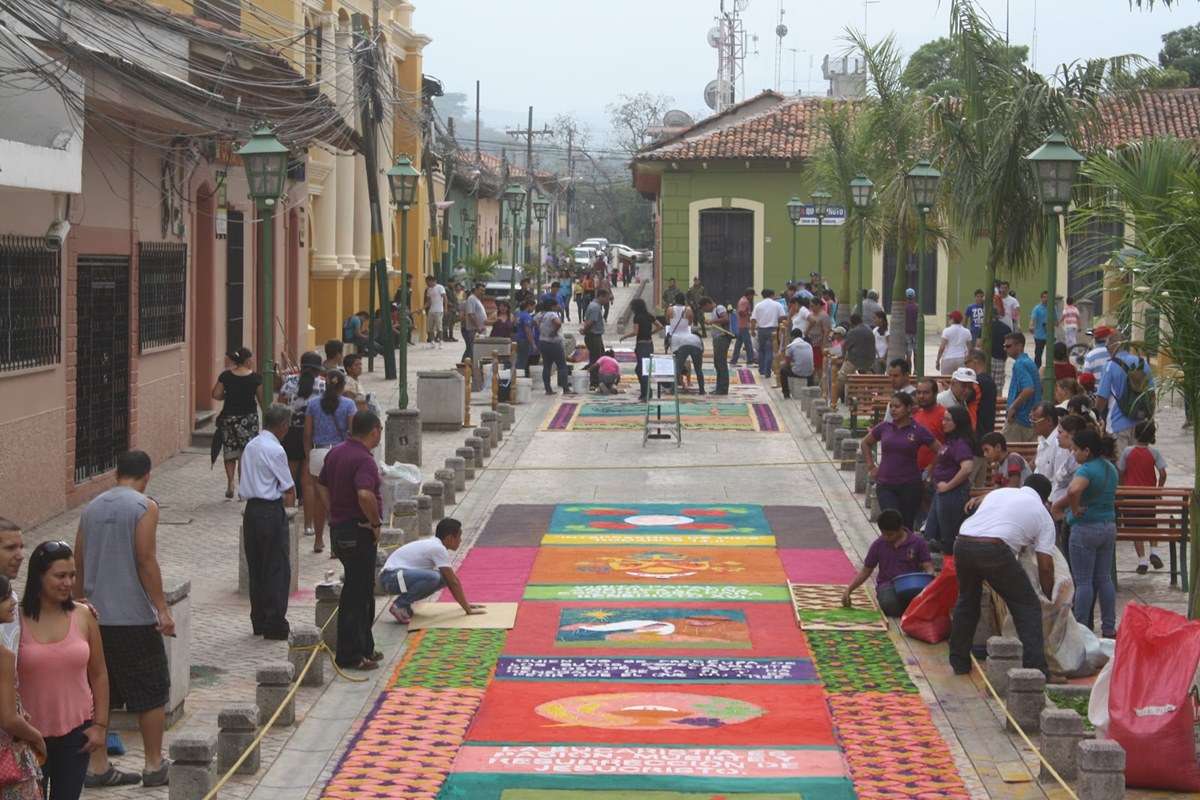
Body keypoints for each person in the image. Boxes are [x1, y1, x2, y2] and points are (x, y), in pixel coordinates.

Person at [73, 451, 175, 788]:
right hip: (133, 617)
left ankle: (98, 766)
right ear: (146, 475)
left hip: (95, 619)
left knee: (99, 692)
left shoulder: (90, 508)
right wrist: (162, 608)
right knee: (152, 690)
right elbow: (146, 558)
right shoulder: (144, 506)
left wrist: (77, 607)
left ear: (117, 473)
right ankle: (153, 763)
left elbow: (78, 560)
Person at [20, 541, 110, 798]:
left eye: (72, 575)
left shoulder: (84, 615)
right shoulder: (14, 619)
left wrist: (100, 725)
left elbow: (99, 673)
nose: (68, 583)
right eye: (60, 576)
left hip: (75, 733)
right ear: (39, 576)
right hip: (27, 736)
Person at [949, 476, 1057, 677]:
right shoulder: (1043, 514)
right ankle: (1036, 670)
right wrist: (1048, 595)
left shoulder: (1000, 492)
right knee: (1027, 606)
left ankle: (959, 662)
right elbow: (1045, 567)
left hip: (963, 542)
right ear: (1045, 499)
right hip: (994, 548)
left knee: (967, 601)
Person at [317, 411, 385, 671]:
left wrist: (333, 509)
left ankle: (365, 646)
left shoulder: (337, 452)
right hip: (358, 530)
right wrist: (376, 523)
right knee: (356, 594)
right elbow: (365, 494)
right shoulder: (364, 460)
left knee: (363, 589)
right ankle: (350, 655)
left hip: (340, 528)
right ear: (374, 431)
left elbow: (321, 484)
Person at [1052, 429, 1119, 638]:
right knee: (1104, 578)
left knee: (1083, 582)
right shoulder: (1110, 468)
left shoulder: (1086, 470)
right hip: (1108, 526)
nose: (1073, 454)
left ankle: (1080, 629)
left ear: (1087, 451)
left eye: (1076, 450)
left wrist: (1074, 508)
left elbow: (1073, 491)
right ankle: (1108, 627)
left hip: (1086, 528)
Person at [237, 407, 296, 640]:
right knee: (276, 568)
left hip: (251, 510)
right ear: (282, 425)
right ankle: (274, 623)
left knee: (257, 566)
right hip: (270, 510)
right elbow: (288, 486)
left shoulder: (251, 445)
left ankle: (259, 619)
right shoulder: (275, 450)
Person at [379, 517, 484, 624]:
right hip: (390, 578)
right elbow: (453, 582)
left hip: (396, 578)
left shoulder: (435, 545)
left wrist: (465, 604)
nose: (460, 541)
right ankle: (400, 605)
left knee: (443, 579)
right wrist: (467, 608)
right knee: (434, 577)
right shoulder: (438, 548)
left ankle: (405, 605)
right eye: (459, 537)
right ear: (449, 538)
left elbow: (451, 580)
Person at [860, 392, 940, 530]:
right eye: (891, 406)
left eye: (897, 406)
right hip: (885, 484)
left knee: (906, 525)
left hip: (910, 485)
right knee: (890, 522)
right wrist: (871, 466)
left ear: (908, 408)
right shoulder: (885, 427)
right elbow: (865, 443)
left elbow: (941, 450)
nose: (893, 410)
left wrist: (930, 469)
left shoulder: (918, 430)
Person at [0, 573, 44, 799]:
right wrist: (36, 737)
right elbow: (8, 718)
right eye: (6, 597)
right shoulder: (3, 656)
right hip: (8, 762)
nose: (13, 601)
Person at [842, 510, 933, 617]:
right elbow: (866, 571)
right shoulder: (878, 544)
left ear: (900, 529)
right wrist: (849, 589)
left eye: (890, 534)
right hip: (887, 584)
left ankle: (911, 610)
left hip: (911, 584)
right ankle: (909, 611)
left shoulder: (917, 543)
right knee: (889, 604)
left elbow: (928, 566)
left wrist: (929, 581)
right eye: (883, 534)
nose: (886, 537)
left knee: (924, 602)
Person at [304, 371, 355, 554]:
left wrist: (309, 454)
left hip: (319, 451)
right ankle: (336, 545)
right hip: (340, 454)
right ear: (342, 386)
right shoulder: (349, 404)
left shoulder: (312, 404)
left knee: (319, 499)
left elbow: (307, 433)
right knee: (339, 498)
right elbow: (352, 431)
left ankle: (318, 541)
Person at [277, 351, 325, 536]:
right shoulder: (322, 385)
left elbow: (279, 407)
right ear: (317, 369)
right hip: (312, 436)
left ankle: (286, 523)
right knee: (309, 483)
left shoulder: (288, 383)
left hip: (289, 435)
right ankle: (308, 525)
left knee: (287, 481)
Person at [925, 406, 979, 553]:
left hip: (953, 494)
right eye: (944, 418)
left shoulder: (961, 443)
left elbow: (967, 468)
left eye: (948, 420)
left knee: (949, 535)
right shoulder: (950, 441)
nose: (943, 422)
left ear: (958, 423)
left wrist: (948, 486)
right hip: (942, 492)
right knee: (933, 531)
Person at [1118, 420, 1167, 575]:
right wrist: (1159, 490)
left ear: (1135, 434)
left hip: (1131, 496)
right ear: (1152, 436)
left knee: (1135, 528)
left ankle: (1142, 561)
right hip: (1149, 496)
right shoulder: (1154, 453)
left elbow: (1120, 470)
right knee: (1151, 524)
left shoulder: (1127, 452)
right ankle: (1155, 552)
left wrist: (1122, 487)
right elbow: (1163, 473)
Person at [212, 348, 262, 500]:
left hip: (229, 418)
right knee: (245, 453)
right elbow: (261, 399)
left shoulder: (226, 376)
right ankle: (243, 488)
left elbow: (216, 394)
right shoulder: (255, 377)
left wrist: (228, 395)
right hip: (249, 420)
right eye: (251, 359)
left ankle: (230, 483)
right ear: (247, 360)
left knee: (230, 451)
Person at [1095, 332, 1154, 454]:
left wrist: (1095, 416)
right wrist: (1150, 417)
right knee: (1136, 465)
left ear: (1114, 346)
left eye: (1107, 347)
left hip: (1118, 423)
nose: (1107, 350)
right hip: (1140, 422)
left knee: (1120, 466)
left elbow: (1102, 397)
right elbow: (1151, 395)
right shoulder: (1143, 364)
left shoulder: (1110, 365)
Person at [620, 298, 664, 401]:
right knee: (643, 369)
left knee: (642, 369)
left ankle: (646, 393)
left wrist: (625, 336)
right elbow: (660, 326)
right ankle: (646, 391)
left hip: (641, 345)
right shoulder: (649, 315)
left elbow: (636, 332)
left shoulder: (637, 317)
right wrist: (651, 333)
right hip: (649, 344)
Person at [1004, 331, 1041, 443]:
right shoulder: (1029, 362)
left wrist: (1013, 407)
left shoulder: (1019, 364)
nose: (1005, 349)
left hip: (1019, 419)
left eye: (1008, 346)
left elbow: (1028, 389)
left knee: (1009, 454)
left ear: (1019, 346)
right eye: (1004, 346)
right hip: (1029, 418)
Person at [537, 298, 572, 396]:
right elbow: (558, 323)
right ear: (552, 306)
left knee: (547, 366)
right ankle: (565, 388)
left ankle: (548, 389)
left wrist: (542, 331)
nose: (558, 307)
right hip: (554, 343)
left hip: (543, 342)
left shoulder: (541, 315)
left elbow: (534, 323)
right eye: (557, 305)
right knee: (562, 366)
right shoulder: (552, 314)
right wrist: (553, 332)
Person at [913, 379, 947, 476]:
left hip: (937, 474)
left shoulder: (944, 415)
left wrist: (931, 468)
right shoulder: (916, 415)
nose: (921, 396)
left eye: (926, 393)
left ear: (935, 394)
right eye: (918, 393)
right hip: (915, 474)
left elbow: (947, 447)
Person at [750, 290, 784, 378]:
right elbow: (782, 317)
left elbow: (753, 319)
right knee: (770, 350)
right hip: (773, 330)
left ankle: (761, 370)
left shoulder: (758, 305)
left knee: (761, 350)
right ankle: (767, 371)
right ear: (772, 295)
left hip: (761, 330)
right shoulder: (777, 305)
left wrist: (752, 330)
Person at [704, 297, 733, 395]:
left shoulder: (719, 308)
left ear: (708, 304)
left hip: (722, 338)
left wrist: (711, 322)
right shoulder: (714, 311)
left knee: (721, 363)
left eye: (705, 308)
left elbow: (725, 319)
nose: (705, 310)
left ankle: (723, 389)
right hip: (717, 339)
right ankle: (719, 387)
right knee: (717, 363)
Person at [581, 289, 610, 388]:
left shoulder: (595, 306)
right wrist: (584, 330)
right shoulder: (595, 307)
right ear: (601, 296)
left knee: (599, 357)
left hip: (595, 335)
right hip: (593, 336)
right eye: (607, 298)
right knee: (596, 359)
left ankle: (597, 379)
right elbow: (591, 322)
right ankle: (594, 381)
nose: (608, 301)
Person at [967, 350, 998, 438]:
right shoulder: (990, 381)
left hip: (977, 429)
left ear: (975, 361)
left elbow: (963, 398)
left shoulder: (976, 383)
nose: (965, 366)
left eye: (966, 362)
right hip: (988, 428)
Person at [671, 324, 705, 395]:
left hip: (683, 346)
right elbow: (702, 350)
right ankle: (702, 390)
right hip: (696, 347)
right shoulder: (698, 337)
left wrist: (679, 362)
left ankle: (673, 389)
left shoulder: (683, 336)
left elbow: (676, 351)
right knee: (698, 370)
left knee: (678, 369)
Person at [779, 331, 815, 399]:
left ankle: (786, 393)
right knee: (808, 368)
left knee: (783, 370)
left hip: (798, 372)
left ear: (792, 337)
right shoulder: (809, 345)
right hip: (810, 372)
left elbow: (787, 363)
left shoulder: (791, 346)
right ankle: (811, 389)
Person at [936, 311, 973, 375]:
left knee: (946, 381)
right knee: (961, 381)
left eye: (949, 318)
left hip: (948, 358)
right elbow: (970, 348)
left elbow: (942, 348)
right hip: (962, 359)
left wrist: (938, 360)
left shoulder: (947, 331)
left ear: (953, 320)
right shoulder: (967, 331)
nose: (948, 320)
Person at [843, 313, 877, 379]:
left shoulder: (853, 332)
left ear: (852, 322)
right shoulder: (869, 329)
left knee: (841, 377)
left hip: (856, 361)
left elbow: (845, 347)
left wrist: (844, 357)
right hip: (870, 360)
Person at [462, 282, 488, 363]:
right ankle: (465, 366)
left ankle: (464, 365)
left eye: (484, 291)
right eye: (481, 290)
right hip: (474, 330)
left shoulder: (477, 299)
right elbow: (471, 314)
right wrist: (478, 327)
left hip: (478, 330)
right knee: (472, 350)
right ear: (476, 290)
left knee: (471, 349)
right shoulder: (472, 299)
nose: (482, 292)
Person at [730, 288, 757, 366]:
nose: (752, 297)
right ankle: (750, 361)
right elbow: (741, 312)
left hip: (741, 325)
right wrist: (749, 313)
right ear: (749, 295)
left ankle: (733, 361)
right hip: (743, 325)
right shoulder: (745, 301)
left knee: (738, 344)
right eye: (752, 295)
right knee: (748, 344)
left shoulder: (742, 300)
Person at [514, 298, 538, 378]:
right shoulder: (526, 316)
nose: (533, 309)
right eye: (533, 307)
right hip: (524, 341)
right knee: (522, 361)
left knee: (520, 358)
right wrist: (533, 343)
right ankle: (519, 378)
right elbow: (528, 331)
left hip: (519, 339)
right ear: (529, 306)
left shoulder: (519, 314)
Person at [424, 275, 447, 347]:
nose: (427, 284)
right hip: (431, 310)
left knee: (439, 327)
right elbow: (428, 302)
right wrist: (422, 308)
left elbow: (445, 298)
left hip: (439, 310)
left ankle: (440, 342)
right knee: (430, 327)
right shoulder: (428, 290)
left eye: (428, 282)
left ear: (432, 281)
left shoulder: (440, 287)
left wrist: (445, 308)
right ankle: (432, 342)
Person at [1030, 291, 1050, 368]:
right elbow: (1033, 318)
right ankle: (1037, 369)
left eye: (1047, 297)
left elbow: (1056, 322)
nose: (1046, 299)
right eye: (1044, 297)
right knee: (1038, 354)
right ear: (1041, 298)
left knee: (1050, 354)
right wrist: (1031, 326)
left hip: (1049, 335)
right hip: (1039, 335)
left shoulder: (1052, 308)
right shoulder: (1037, 308)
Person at [903, 288, 919, 365]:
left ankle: (908, 371)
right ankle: (916, 371)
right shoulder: (917, 307)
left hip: (906, 333)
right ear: (914, 297)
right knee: (916, 354)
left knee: (908, 355)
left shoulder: (903, 308)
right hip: (916, 333)